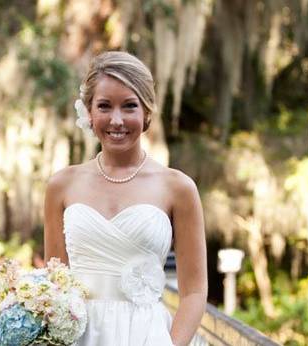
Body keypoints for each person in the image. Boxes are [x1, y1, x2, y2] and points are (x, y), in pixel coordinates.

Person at [44, 51, 207, 346]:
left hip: (146, 336)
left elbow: (194, 292)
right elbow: (55, 282)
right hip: (79, 337)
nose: (116, 120)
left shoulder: (178, 188)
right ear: (89, 113)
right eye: (104, 106)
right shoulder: (61, 185)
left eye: (129, 106)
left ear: (146, 113)